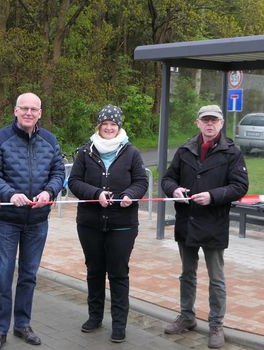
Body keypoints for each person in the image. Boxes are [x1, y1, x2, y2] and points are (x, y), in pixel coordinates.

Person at [160, 105, 248, 349]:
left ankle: (216, 325)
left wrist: (213, 195)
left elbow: (240, 186)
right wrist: (173, 189)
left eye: (214, 121)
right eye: (205, 121)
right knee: (187, 273)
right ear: (197, 123)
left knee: (216, 277)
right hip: (187, 222)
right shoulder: (185, 150)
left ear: (221, 124)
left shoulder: (232, 152)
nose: (210, 125)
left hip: (214, 222)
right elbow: (167, 178)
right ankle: (187, 316)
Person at [0, 92, 65, 350]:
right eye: (24, 108)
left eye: (34, 109)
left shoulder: (50, 141)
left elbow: (58, 172)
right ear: (15, 111)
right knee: (3, 276)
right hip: (8, 220)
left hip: (38, 220)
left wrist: (49, 192)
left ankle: (22, 324)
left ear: (40, 113)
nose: (29, 113)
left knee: (29, 275)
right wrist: (9, 193)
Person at [67, 105, 148, 343]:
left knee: (118, 274)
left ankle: (119, 324)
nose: (109, 128)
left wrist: (130, 195)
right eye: (105, 124)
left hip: (122, 224)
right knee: (94, 271)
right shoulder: (85, 152)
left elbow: (141, 182)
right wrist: (95, 193)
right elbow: (74, 182)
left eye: (113, 124)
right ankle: (94, 317)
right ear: (99, 127)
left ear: (119, 127)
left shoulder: (131, 152)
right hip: (90, 223)